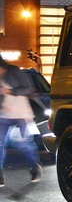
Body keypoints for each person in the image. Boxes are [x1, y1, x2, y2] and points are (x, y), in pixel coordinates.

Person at [0, 56, 42, 187]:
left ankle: (35, 167)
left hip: (22, 113)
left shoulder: (15, 71)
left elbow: (28, 88)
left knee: (22, 143)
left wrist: (10, 91)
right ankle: (0, 174)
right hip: (4, 115)